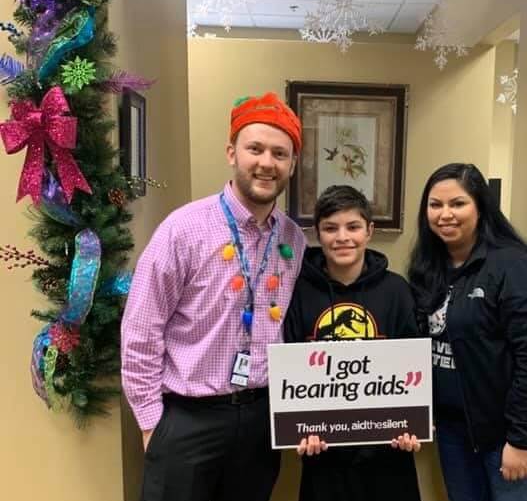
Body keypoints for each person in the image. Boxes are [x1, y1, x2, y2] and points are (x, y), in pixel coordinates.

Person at [121, 92, 307, 501]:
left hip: (260, 422)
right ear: (231, 153)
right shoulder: (183, 230)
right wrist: (153, 425)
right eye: (254, 148)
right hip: (188, 420)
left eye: (280, 153)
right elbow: (140, 332)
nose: (266, 163)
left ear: (292, 164)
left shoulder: (294, 239)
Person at [408, 163, 527, 501]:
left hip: (508, 430)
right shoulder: (426, 266)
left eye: (457, 203)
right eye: (435, 205)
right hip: (453, 428)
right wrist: (418, 409)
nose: (445, 214)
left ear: (481, 206)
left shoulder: (514, 265)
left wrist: (521, 440)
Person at [284, 184, 422, 501]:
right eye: (330, 228)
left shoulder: (397, 291)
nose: (342, 237)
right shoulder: (298, 292)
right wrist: (299, 429)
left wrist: (410, 423)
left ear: (369, 231)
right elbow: (288, 365)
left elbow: (412, 367)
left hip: (388, 452)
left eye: (353, 227)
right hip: (324, 454)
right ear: (317, 234)